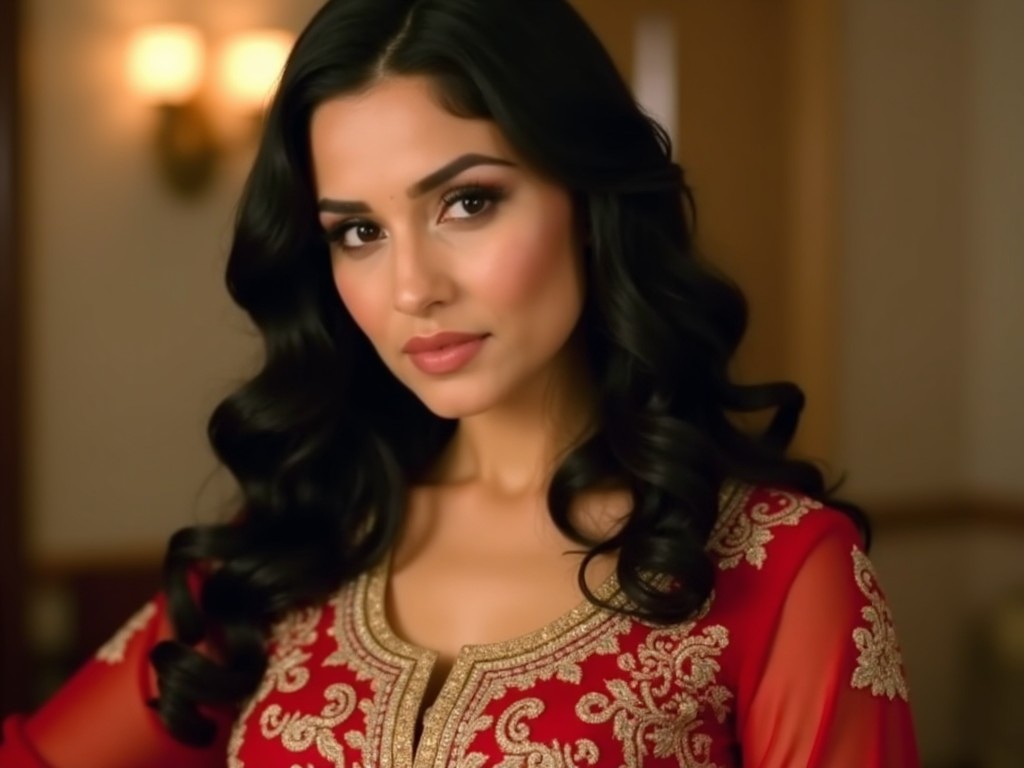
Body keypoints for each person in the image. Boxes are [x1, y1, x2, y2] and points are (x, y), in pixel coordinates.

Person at [1, 0, 920, 764]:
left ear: (589, 199)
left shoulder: (779, 570)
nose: (412, 289)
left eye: (467, 202)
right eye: (358, 231)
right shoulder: (293, 537)